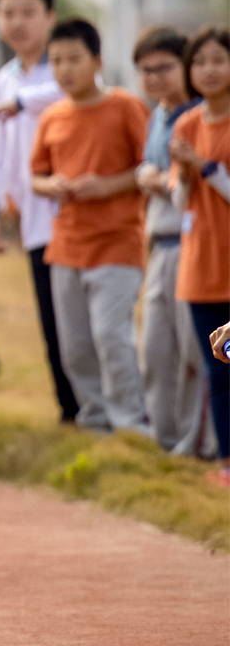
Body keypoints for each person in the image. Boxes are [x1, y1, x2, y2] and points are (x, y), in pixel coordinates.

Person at [30, 19, 152, 436]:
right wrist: (52, 186)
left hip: (117, 241)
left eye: (74, 59)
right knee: (76, 345)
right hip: (66, 246)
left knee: (111, 336)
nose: (64, 69)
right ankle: (95, 420)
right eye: (56, 61)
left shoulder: (125, 107)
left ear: (97, 61)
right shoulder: (51, 117)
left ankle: (130, 423)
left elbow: (150, 168)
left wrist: (107, 187)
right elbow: (36, 176)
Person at [0, 0, 77, 424]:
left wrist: (21, 101)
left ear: (49, 17)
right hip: (35, 220)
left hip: (76, 213)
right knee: (52, 320)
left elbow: (76, 92)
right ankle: (69, 410)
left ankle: (105, 412)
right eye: (7, 13)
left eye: (28, 13)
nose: (17, 23)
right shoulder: (3, 80)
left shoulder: (66, 69)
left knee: (85, 323)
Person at [131, 27, 209, 457]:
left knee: (193, 352)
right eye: (146, 70)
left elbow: (188, 183)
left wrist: (157, 180)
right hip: (159, 241)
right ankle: (165, 440)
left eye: (165, 67)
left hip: (192, 240)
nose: (155, 77)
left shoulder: (200, 116)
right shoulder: (156, 116)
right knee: (155, 349)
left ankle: (197, 442)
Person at [178, 27, 230, 486]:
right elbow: (179, 202)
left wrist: (203, 166)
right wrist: (177, 174)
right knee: (218, 367)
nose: (208, 70)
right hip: (200, 263)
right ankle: (226, 460)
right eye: (198, 61)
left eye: (218, 59)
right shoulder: (186, 124)